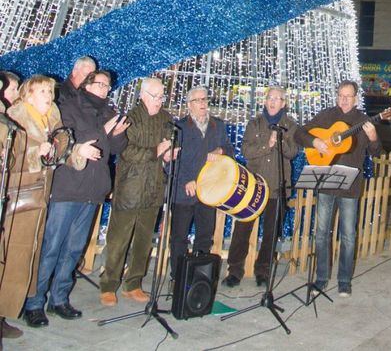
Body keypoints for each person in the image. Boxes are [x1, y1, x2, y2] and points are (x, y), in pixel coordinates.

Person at [23, 69, 128, 324]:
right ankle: (34, 302)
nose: (104, 89)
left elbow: (113, 149)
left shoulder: (108, 110)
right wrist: (104, 131)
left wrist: (116, 134)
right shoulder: (69, 106)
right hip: (68, 188)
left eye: (107, 85)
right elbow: (65, 140)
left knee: (73, 249)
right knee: (51, 247)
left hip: (93, 190)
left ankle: (59, 299)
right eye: (99, 84)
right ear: (86, 84)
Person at [0, 76, 90, 335]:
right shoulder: (14, 118)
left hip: (39, 200)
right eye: (42, 91)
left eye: (50, 91)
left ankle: (7, 312)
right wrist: (34, 155)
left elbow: (61, 153)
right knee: (11, 257)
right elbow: (9, 157)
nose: (48, 96)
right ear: (28, 95)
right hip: (18, 199)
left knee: (27, 258)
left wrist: (78, 154)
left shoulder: (53, 119)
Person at [295, 80, 380, 297]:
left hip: (350, 185)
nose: (344, 100)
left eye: (348, 96)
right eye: (341, 95)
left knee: (348, 235)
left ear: (355, 98)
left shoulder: (362, 121)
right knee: (321, 232)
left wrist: (373, 138)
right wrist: (315, 143)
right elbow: (299, 133)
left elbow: (376, 152)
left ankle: (344, 281)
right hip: (325, 182)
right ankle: (321, 279)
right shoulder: (327, 115)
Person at [99, 77, 176, 305]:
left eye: (162, 96)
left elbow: (167, 145)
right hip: (130, 188)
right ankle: (108, 284)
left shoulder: (166, 119)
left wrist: (169, 154)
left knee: (143, 241)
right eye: (156, 96)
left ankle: (133, 283)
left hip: (154, 188)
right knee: (118, 240)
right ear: (142, 95)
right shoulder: (129, 119)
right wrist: (156, 151)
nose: (159, 101)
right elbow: (126, 152)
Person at [223, 86, 299, 289]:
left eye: (278, 98)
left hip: (277, 187)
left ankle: (263, 270)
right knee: (242, 229)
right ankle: (235, 270)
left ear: (284, 103)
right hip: (253, 188)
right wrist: (268, 144)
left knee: (271, 233)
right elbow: (246, 151)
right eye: (270, 98)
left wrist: (280, 142)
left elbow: (292, 153)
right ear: (265, 101)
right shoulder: (254, 123)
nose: (273, 101)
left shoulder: (291, 126)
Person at [169, 87, 233, 280]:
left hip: (208, 192)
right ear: (189, 105)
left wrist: (221, 150)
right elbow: (171, 161)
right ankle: (178, 277)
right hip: (184, 193)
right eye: (197, 100)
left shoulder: (218, 126)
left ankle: (198, 279)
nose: (203, 103)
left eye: (205, 99)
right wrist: (186, 180)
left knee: (205, 237)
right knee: (179, 238)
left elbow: (230, 150)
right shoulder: (178, 128)